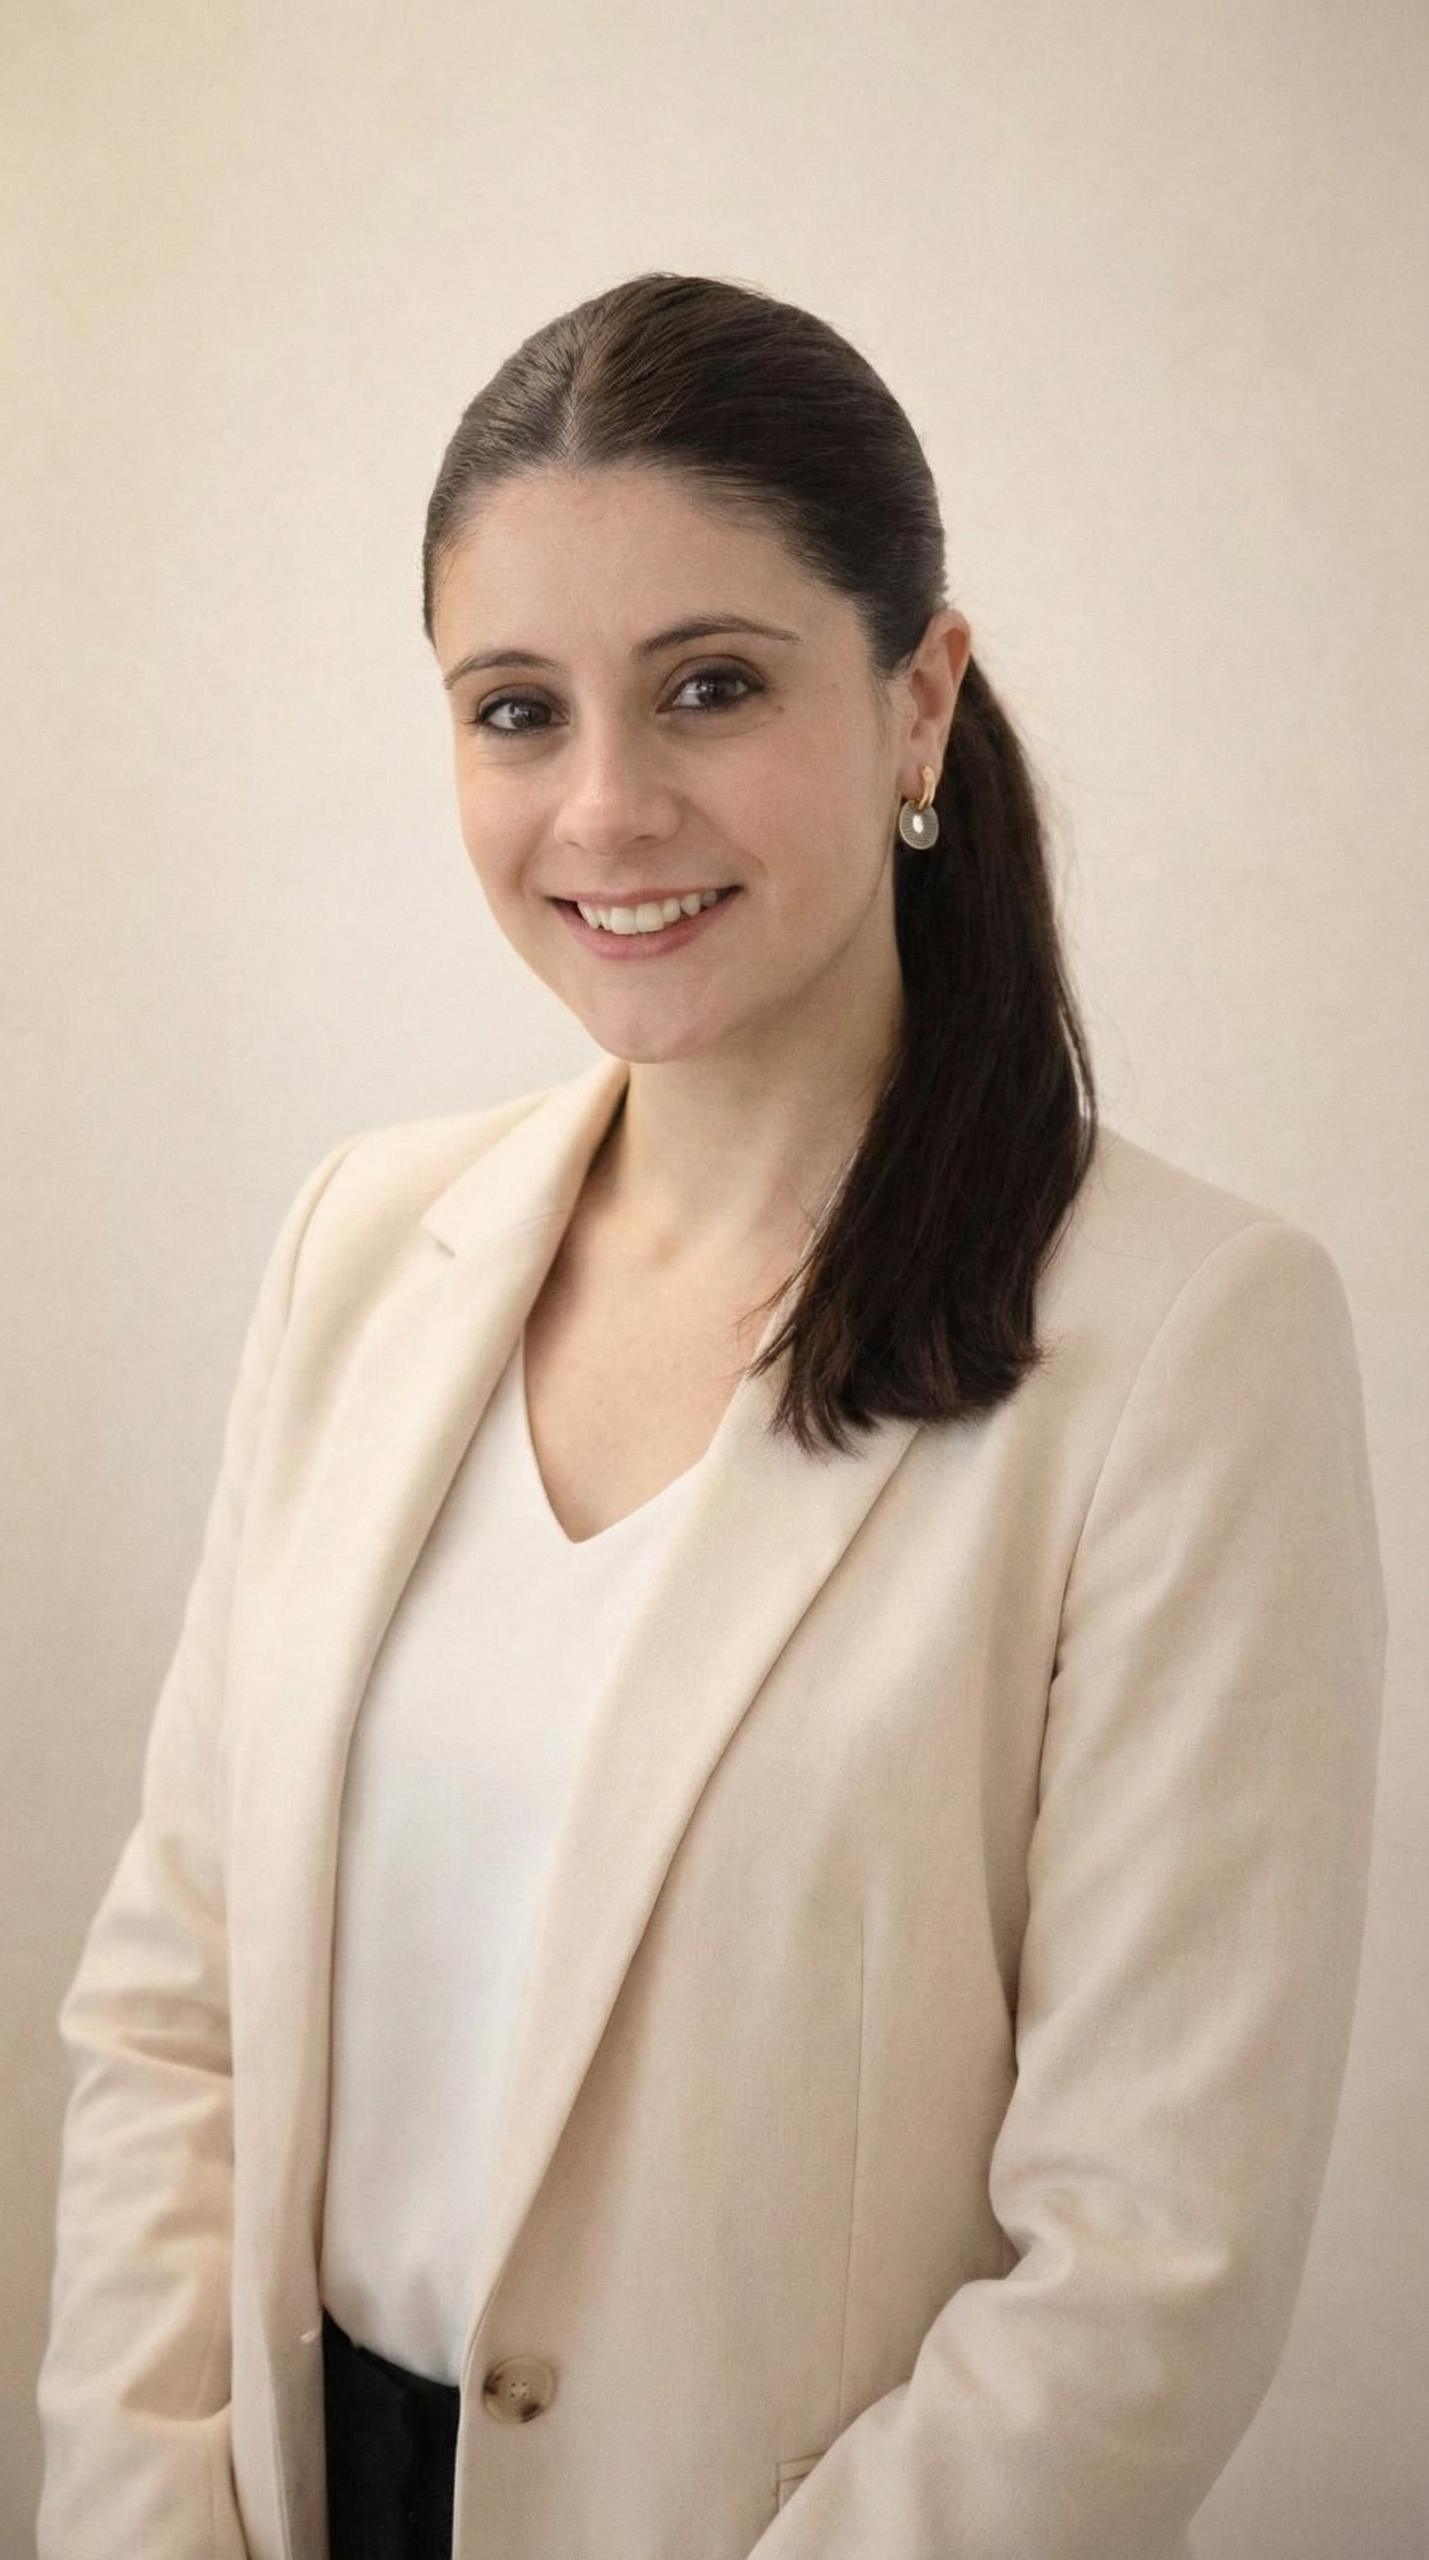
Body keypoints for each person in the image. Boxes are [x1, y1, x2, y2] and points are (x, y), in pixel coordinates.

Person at [37, 274, 1384, 2560]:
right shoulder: (361, 1244)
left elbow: (1145, 2265)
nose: (605, 805)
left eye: (712, 685)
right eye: (516, 709)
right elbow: (179, 2011)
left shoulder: (1186, 1343)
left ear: (917, 698)